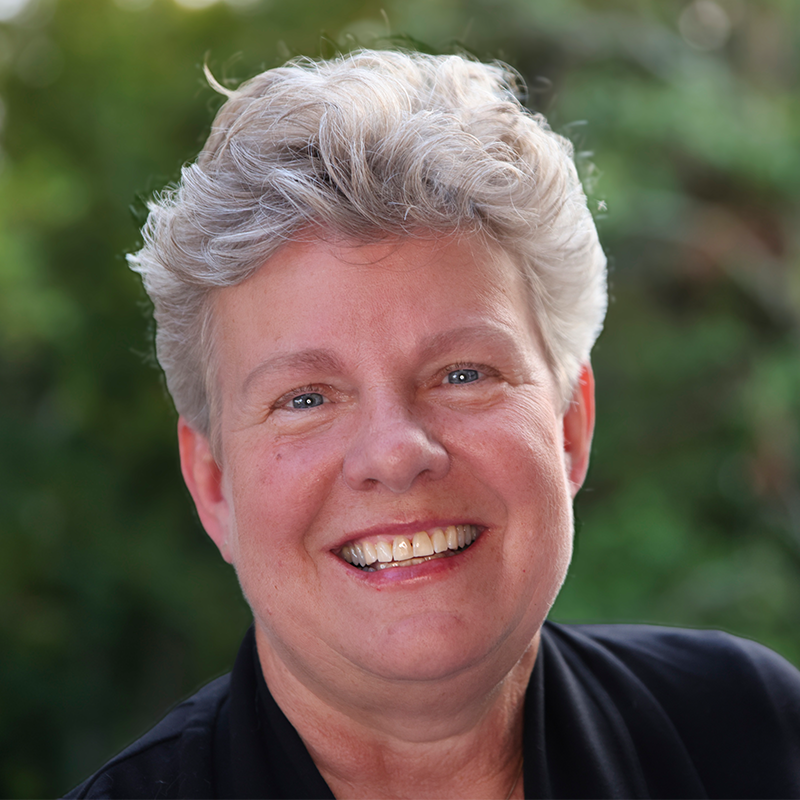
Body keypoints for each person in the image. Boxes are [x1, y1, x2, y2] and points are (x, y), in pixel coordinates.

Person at [65, 49, 800, 799]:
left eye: (463, 375)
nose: (395, 452)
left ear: (569, 426)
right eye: (306, 399)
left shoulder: (752, 738)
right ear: (214, 486)